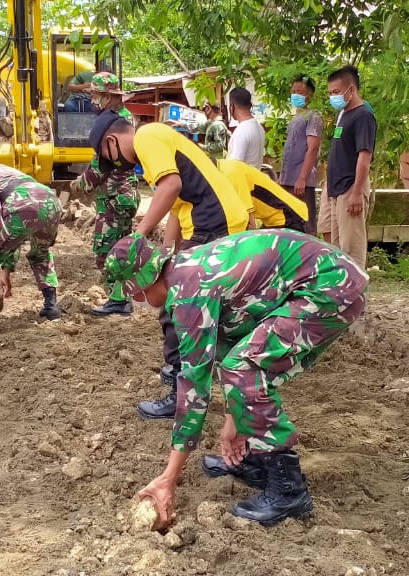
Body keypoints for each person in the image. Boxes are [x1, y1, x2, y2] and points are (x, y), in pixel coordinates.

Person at [103, 230, 367, 527]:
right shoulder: (186, 269)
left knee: (242, 368)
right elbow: (232, 343)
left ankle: (288, 489)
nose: (139, 300)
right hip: (327, 280)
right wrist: (235, 419)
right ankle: (257, 460)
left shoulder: (190, 293)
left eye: (135, 293)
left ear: (141, 284)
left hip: (329, 287)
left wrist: (168, 478)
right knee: (240, 363)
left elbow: (194, 391)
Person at [93, 114, 249, 419]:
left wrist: (138, 237)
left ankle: (181, 392)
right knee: (187, 300)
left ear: (111, 141)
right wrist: (168, 251)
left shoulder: (146, 137)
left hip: (214, 222)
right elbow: (177, 203)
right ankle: (193, 374)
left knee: (175, 304)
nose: (115, 164)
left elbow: (171, 185)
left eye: (107, 157)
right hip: (211, 221)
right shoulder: (157, 143)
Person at [72, 71, 139, 316]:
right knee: (118, 247)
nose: (92, 101)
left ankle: (119, 301)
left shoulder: (115, 123)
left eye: (96, 95)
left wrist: (81, 184)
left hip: (115, 196)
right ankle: (120, 298)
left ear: (109, 97)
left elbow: (102, 165)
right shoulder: (123, 117)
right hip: (119, 195)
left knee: (107, 251)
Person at [0, 162, 62, 320]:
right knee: (40, 253)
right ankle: (51, 306)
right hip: (50, 200)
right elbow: (18, 235)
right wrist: (6, 269)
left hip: (20, 203)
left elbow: (0, 222)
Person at [324, 65, 375, 266]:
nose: (332, 97)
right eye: (330, 93)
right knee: (338, 250)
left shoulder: (363, 115)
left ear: (351, 90)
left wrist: (356, 191)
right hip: (337, 190)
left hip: (350, 188)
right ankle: (341, 293)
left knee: (352, 249)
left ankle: (356, 293)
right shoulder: (344, 114)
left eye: (336, 92)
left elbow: (364, 156)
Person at [279, 74, 323, 235]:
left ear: (310, 95)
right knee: (290, 224)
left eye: (300, 92)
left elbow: (312, 149)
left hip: (302, 182)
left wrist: (302, 178)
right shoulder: (296, 117)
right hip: (288, 180)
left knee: (306, 225)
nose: (295, 95)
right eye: (293, 91)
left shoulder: (314, 117)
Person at [218, 159, 308, 231]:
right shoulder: (224, 167)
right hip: (274, 220)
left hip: (287, 216)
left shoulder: (230, 174)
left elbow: (249, 222)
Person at [225, 87, 265, 169]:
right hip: (254, 178)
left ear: (232, 106)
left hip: (241, 181)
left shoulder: (242, 131)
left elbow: (235, 166)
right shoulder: (259, 127)